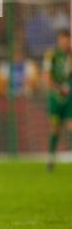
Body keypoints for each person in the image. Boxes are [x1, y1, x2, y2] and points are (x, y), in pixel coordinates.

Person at [43, 29, 72, 171]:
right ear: (59, 40)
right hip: (55, 97)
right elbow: (47, 77)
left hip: (70, 97)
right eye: (63, 39)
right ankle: (51, 158)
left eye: (68, 40)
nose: (66, 42)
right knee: (55, 129)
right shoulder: (51, 55)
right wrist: (58, 89)